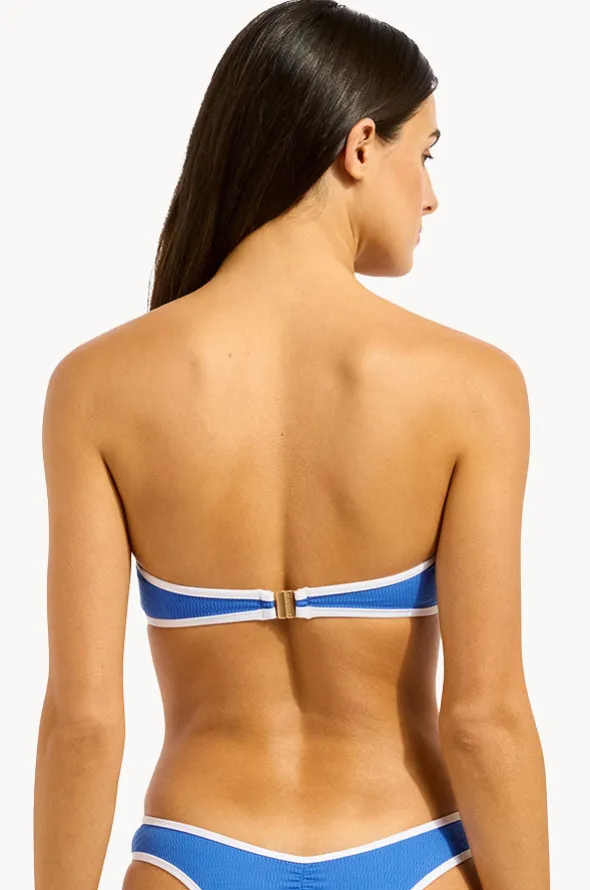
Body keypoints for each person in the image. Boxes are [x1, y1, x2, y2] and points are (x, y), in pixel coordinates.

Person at [33, 2, 550, 888]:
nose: (431, 196)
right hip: (411, 851)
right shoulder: (472, 387)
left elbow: (82, 723)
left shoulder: (96, 386)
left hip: (191, 852)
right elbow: (483, 719)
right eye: (425, 155)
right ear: (360, 147)